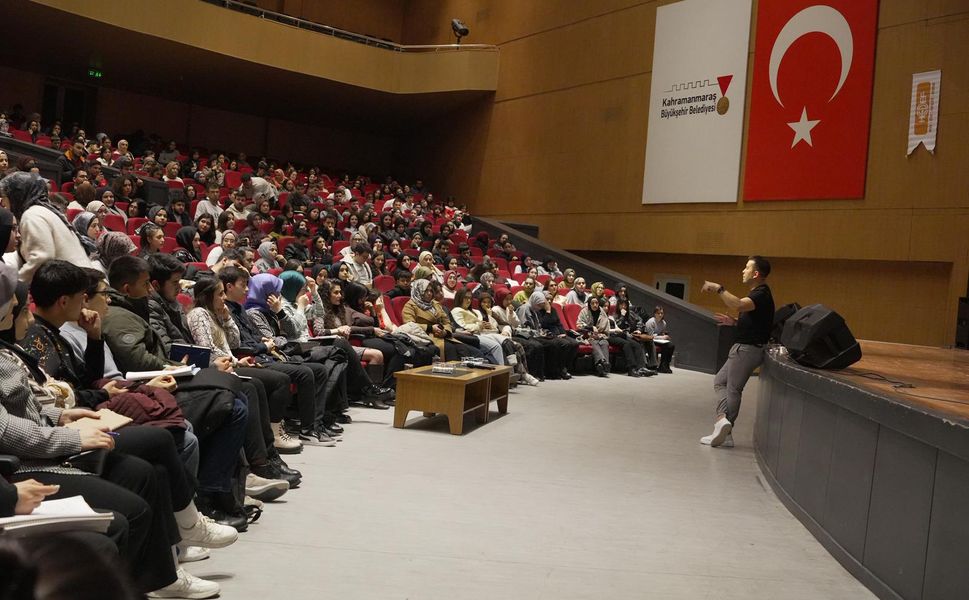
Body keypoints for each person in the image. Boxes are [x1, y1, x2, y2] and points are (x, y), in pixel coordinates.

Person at [699, 256, 775, 448]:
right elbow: (756, 321)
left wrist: (719, 288)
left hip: (747, 349)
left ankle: (725, 429)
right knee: (720, 381)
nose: (743, 270)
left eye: (747, 267)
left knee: (733, 388)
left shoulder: (761, 294)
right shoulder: (759, 294)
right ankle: (723, 423)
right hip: (745, 347)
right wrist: (735, 323)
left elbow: (738, 304)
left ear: (756, 274)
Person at [1, 172, 93, 282]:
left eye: (4, 197)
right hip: (77, 280)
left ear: (16, 196)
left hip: (73, 284)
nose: (3, 203)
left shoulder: (32, 215)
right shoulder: (44, 211)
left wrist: (14, 282)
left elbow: (41, 258)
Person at [643, 305, 675, 373]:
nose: (660, 315)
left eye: (662, 313)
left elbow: (661, 333)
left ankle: (664, 365)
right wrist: (662, 337)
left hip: (658, 340)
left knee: (671, 345)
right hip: (649, 340)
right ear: (655, 314)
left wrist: (664, 335)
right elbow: (650, 336)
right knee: (654, 345)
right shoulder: (651, 322)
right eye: (658, 313)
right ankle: (653, 365)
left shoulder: (663, 323)